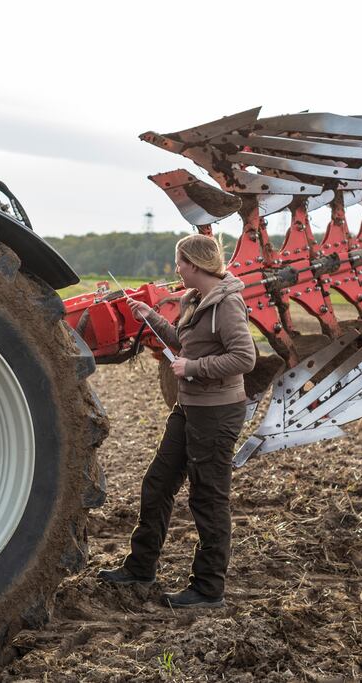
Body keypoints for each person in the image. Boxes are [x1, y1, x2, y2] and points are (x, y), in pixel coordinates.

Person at [98, 234, 256, 608]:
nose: (177, 269)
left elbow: (245, 358)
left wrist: (194, 368)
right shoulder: (194, 300)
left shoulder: (227, 305)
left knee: (208, 498)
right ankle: (140, 567)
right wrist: (150, 317)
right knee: (157, 484)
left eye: (180, 263)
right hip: (190, 407)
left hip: (217, 412)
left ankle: (207, 589)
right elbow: (185, 343)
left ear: (197, 264)